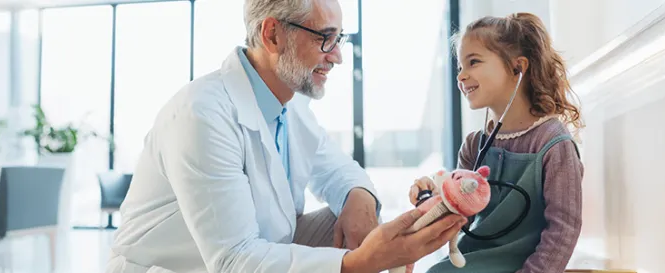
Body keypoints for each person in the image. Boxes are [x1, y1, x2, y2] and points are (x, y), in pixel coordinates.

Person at [107, 0, 465, 272]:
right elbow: (234, 259)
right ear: (272, 34)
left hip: (257, 251)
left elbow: (339, 170)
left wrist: (359, 197)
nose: (337, 56)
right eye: (325, 38)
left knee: (345, 218)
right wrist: (357, 263)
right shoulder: (202, 114)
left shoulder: (288, 108)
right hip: (181, 268)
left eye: (338, 38)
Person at [409, 13, 585, 273]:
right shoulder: (474, 145)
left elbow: (564, 229)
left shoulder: (552, 143)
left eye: (473, 62)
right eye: (460, 67)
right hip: (473, 262)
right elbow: (457, 217)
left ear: (518, 68)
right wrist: (433, 199)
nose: (461, 76)